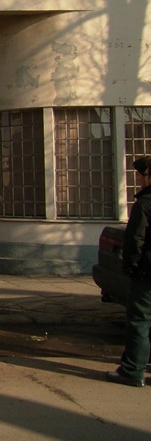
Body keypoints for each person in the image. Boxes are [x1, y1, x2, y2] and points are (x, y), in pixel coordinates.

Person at [106, 156, 151, 388]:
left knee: (139, 321)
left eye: (142, 174)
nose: (140, 179)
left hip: (146, 275)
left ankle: (133, 370)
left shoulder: (145, 205)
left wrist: (131, 267)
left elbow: (135, 240)